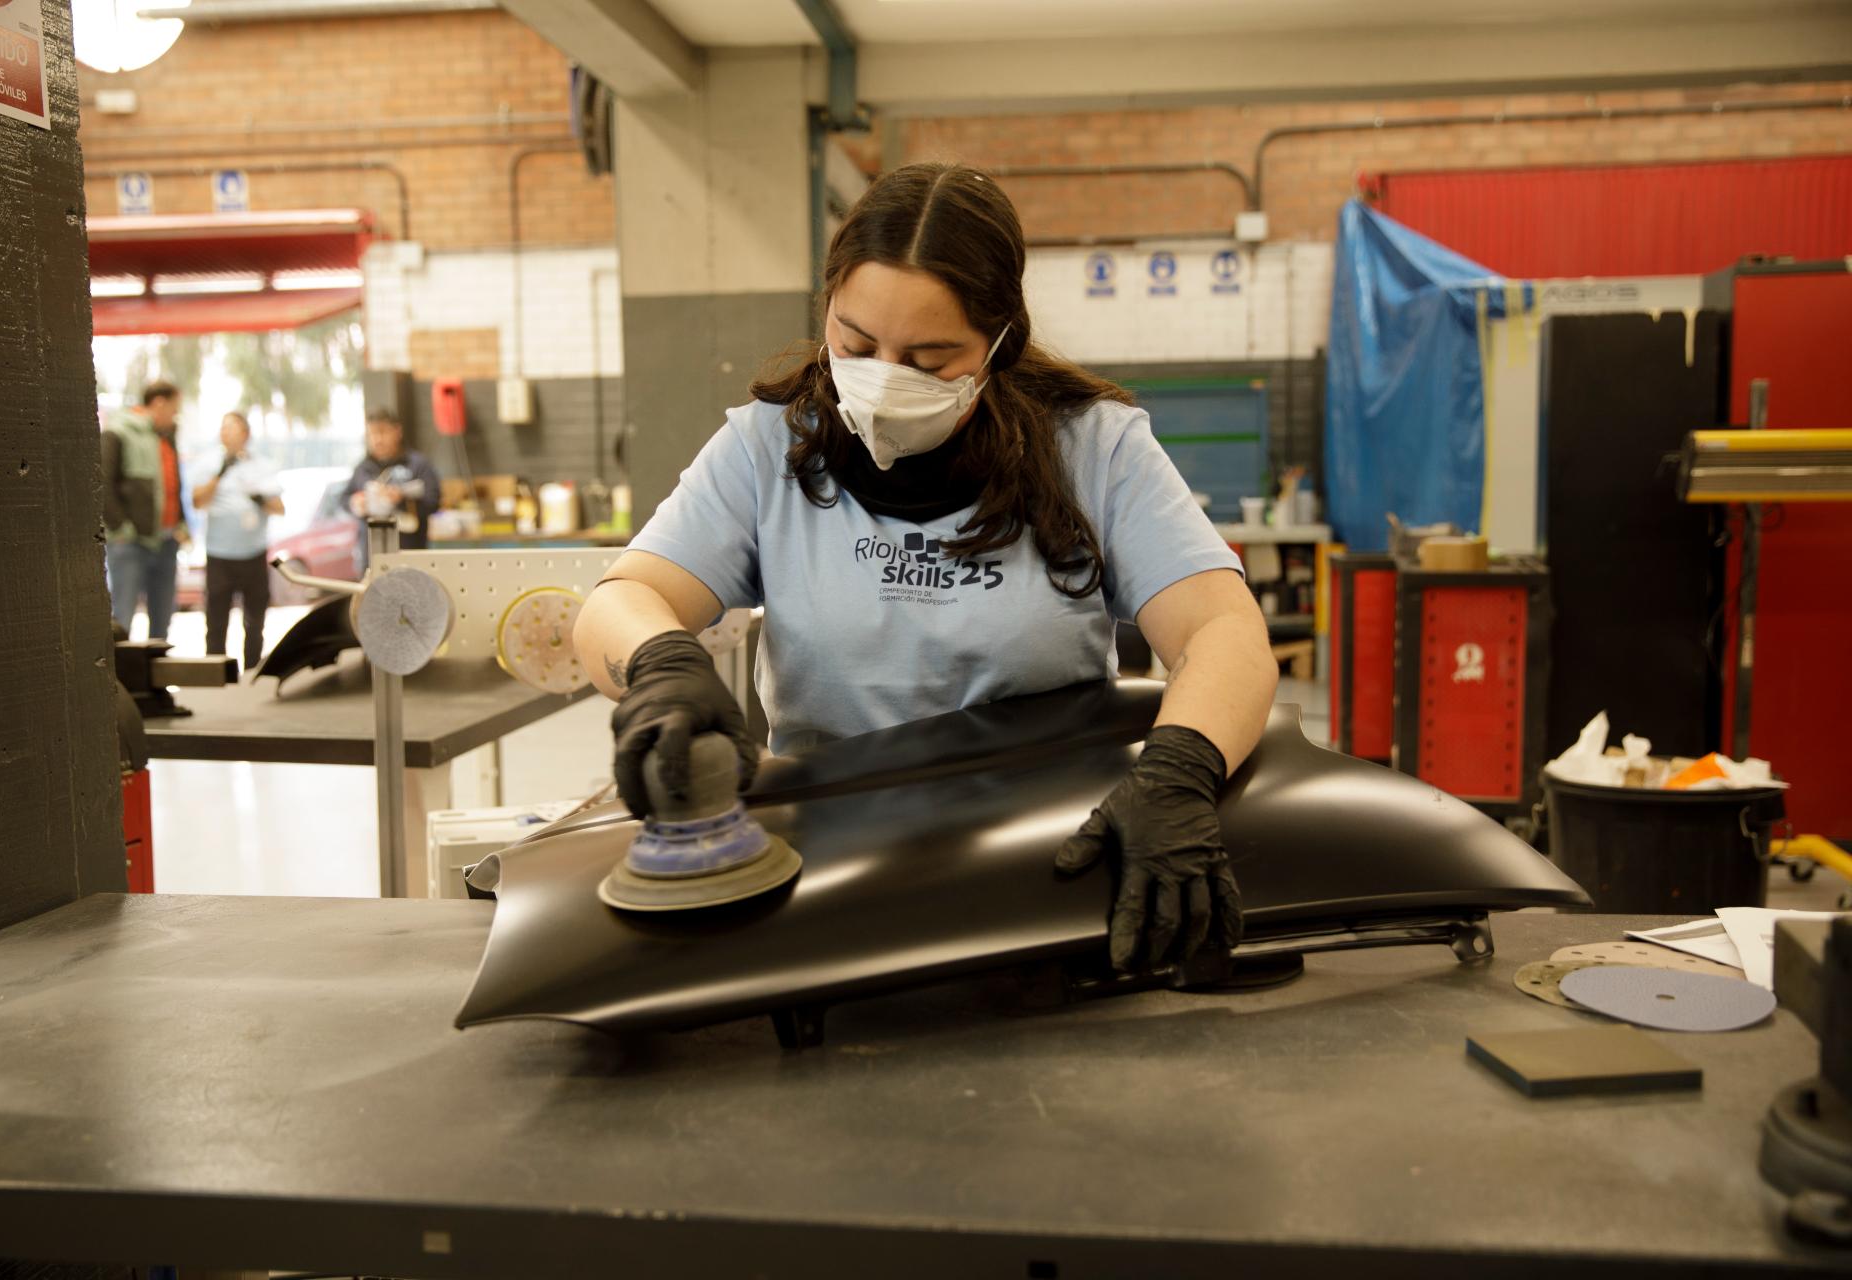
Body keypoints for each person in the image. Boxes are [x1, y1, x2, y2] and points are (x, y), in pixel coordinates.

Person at [571, 164, 1278, 977]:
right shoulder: (768, 449)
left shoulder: (1095, 450)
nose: (885, 378)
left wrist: (1180, 772)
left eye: (931, 358)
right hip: (825, 886)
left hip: (1053, 882)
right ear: (827, 309)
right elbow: (626, 596)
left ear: (999, 343)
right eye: (856, 344)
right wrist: (660, 663)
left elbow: (1222, 630)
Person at [191, 411, 284, 671]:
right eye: (224, 428)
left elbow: (279, 508)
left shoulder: (262, 465)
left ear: (246, 434)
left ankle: (252, 671)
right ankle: (216, 672)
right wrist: (220, 474)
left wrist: (259, 498)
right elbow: (197, 501)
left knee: (255, 621)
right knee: (216, 619)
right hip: (220, 554)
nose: (227, 432)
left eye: (232, 428)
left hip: (253, 553)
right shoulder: (209, 463)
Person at [102, 379, 188, 639]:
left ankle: (157, 666)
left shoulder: (166, 437)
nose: (175, 415)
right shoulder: (119, 431)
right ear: (159, 403)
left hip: (166, 540)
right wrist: (121, 528)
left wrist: (181, 523)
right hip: (130, 543)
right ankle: (121, 667)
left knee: (162, 622)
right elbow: (101, 483)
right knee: (122, 619)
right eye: (174, 409)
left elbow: (172, 485)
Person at [342, 406, 441, 566]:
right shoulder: (363, 468)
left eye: (382, 432)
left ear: (397, 431)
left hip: (409, 554)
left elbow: (433, 502)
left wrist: (401, 499)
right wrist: (354, 503)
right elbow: (344, 499)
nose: (377, 439)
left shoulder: (417, 464)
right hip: (371, 556)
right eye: (372, 434)